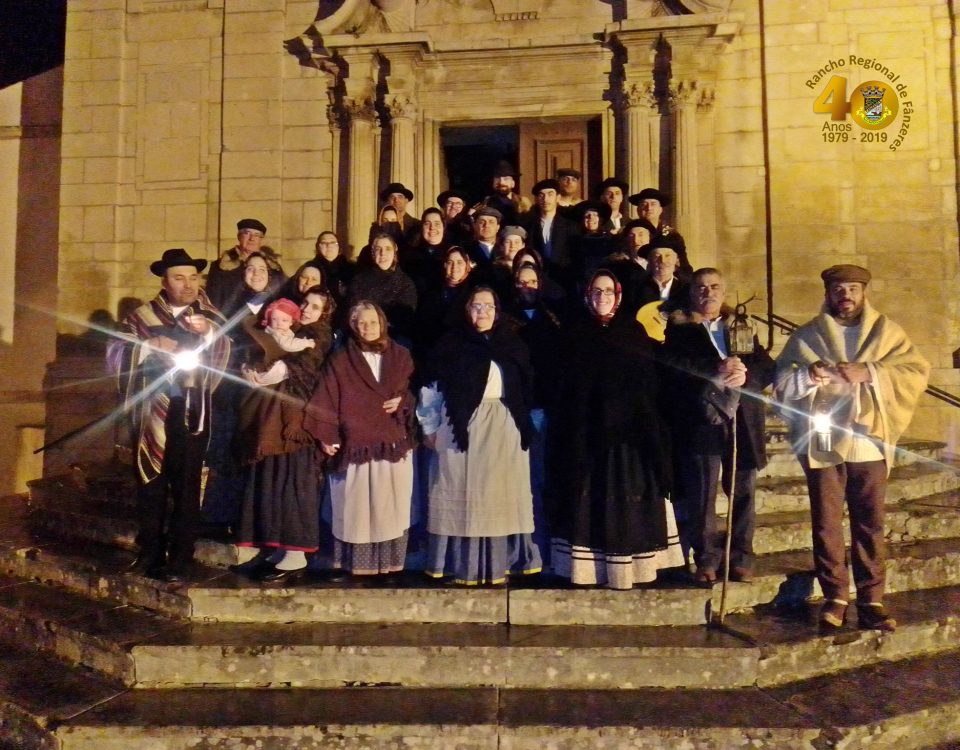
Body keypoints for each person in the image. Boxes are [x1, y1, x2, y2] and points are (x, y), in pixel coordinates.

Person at [774, 264, 929, 632]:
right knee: (826, 523)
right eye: (839, 289)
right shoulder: (808, 335)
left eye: (853, 289)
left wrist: (871, 372)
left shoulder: (886, 332)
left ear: (864, 293)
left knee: (870, 522)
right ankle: (836, 596)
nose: (845, 296)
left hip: (867, 440)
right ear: (828, 293)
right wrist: (809, 376)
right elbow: (782, 383)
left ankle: (872, 598)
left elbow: (916, 371)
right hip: (824, 438)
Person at [547, 269, 682, 589]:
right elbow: (563, 385)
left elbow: (648, 380)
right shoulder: (573, 333)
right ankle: (590, 571)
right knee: (588, 503)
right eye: (596, 291)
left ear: (618, 297)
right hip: (585, 436)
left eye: (608, 291)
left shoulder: (633, 332)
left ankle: (632, 569)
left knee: (626, 502)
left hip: (629, 436)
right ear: (587, 295)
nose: (602, 297)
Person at [107, 249, 231, 582]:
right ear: (164, 280)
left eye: (194, 277)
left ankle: (181, 556)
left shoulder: (210, 317)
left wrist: (207, 333)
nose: (188, 284)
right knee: (151, 483)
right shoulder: (142, 317)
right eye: (179, 277)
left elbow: (225, 352)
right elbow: (115, 353)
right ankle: (149, 551)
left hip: (192, 412)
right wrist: (149, 345)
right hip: (152, 413)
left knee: (188, 485)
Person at [417, 287, 541, 585]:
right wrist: (429, 426)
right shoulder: (451, 345)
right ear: (466, 310)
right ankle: (460, 565)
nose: (482, 312)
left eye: (488, 306)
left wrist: (525, 425)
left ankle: (503, 563)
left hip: (504, 430)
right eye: (476, 306)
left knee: (499, 498)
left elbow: (526, 389)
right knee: (463, 496)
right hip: (461, 429)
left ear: (498, 311)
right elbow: (430, 387)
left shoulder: (513, 345)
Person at [661, 268, 774, 585]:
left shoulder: (740, 328)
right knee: (702, 494)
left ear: (723, 292)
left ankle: (740, 558)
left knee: (743, 493)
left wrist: (746, 377)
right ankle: (707, 559)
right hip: (702, 421)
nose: (707, 292)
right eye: (700, 287)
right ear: (691, 293)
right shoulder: (679, 331)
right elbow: (673, 369)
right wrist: (715, 370)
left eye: (714, 286)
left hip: (743, 419)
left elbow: (767, 367)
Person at [231, 286, 336, 583]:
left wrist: (262, 374)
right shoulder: (292, 328)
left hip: (296, 424)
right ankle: (278, 548)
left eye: (315, 307)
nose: (307, 309)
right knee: (274, 480)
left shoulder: (318, 336)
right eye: (305, 303)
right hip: (275, 420)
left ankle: (296, 552)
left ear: (325, 314)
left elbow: (293, 369)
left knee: (294, 482)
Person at [305, 301, 415, 577]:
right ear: (353, 326)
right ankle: (350, 564)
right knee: (354, 507)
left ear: (383, 323)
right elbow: (325, 398)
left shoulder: (401, 356)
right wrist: (327, 435)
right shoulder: (341, 359)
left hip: (391, 442)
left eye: (373, 322)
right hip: (355, 444)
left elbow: (412, 393)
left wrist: (404, 402)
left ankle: (390, 566)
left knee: (390, 506)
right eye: (361, 323)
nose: (368, 328)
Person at [347, 232, 418, 342]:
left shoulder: (406, 284)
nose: (382, 253)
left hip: (394, 338)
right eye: (378, 249)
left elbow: (405, 318)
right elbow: (354, 311)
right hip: (363, 334)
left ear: (394, 252)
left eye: (387, 249)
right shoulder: (359, 281)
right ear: (373, 253)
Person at [206, 218, 286, 312]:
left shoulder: (273, 267)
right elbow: (213, 301)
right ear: (239, 237)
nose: (252, 238)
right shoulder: (220, 267)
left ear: (261, 240)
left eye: (257, 235)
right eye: (247, 233)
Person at [627, 188, 692, 278]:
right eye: (644, 204)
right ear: (638, 210)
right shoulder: (627, 233)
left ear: (660, 210)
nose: (648, 208)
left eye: (653, 204)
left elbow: (684, 265)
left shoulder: (672, 236)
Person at [313, 231, 354, 307]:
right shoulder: (311, 268)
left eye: (332, 242)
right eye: (324, 243)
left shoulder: (351, 269)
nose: (328, 245)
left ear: (338, 246)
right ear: (318, 247)